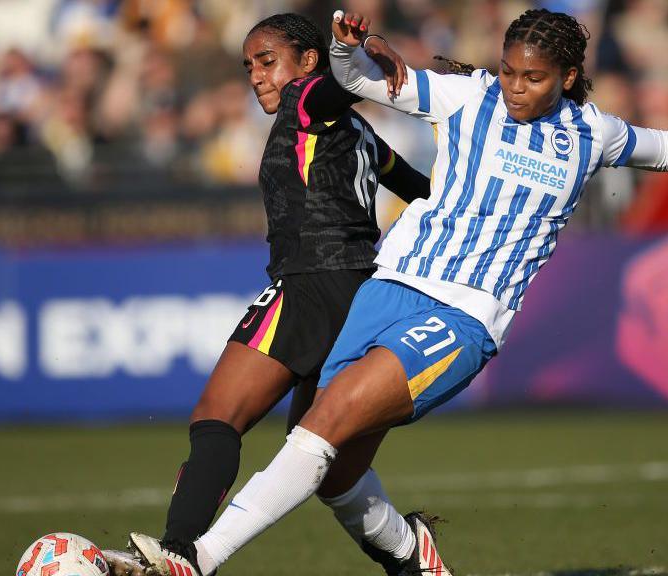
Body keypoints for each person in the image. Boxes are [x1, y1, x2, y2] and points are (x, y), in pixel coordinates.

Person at [128, 8, 668, 576]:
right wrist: (343, 45)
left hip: (466, 314)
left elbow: (658, 146)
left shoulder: (590, 133)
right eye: (508, 71)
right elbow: (361, 78)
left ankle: (197, 560)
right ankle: (411, 550)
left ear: (567, 79)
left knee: (320, 428)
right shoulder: (466, 95)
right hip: (387, 289)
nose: (514, 87)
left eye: (533, 78)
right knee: (333, 477)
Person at [110, 12, 449, 576]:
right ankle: (411, 556)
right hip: (365, 294)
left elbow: (336, 87)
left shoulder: (306, 98)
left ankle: (177, 556)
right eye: (249, 66)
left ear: (308, 61)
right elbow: (424, 191)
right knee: (316, 457)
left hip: (313, 282)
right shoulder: (363, 135)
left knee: (218, 416)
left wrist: (357, 57)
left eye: (267, 61)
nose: (257, 76)